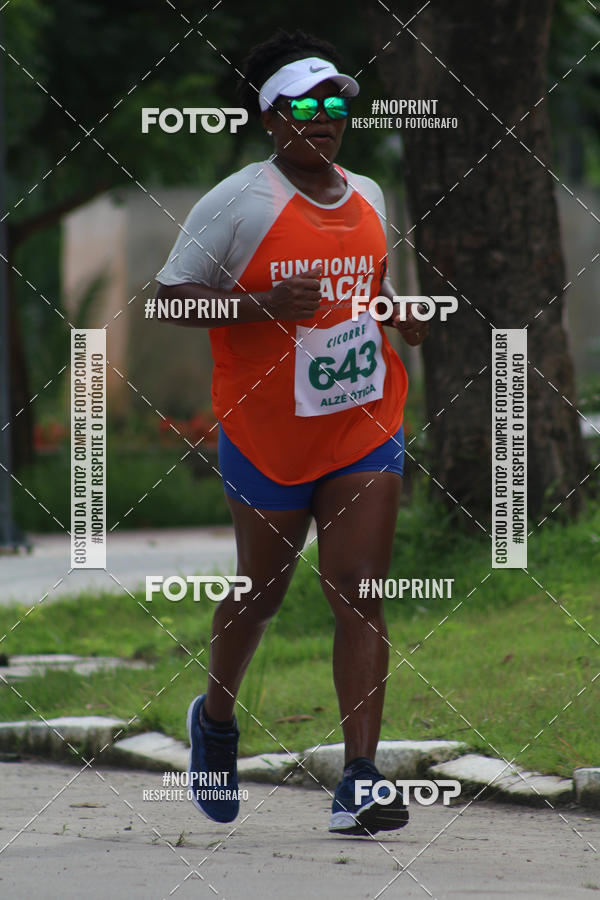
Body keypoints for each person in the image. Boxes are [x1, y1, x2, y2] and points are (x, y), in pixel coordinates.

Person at [154, 28, 428, 836]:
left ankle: (360, 780)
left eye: (335, 103)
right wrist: (258, 307)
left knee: (361, 593)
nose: (323, 118)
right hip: (268, 432)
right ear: (270, 117)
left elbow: (366, 289)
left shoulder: (371, 194)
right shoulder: (239, 202)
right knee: (259, 593)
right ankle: (217, 718)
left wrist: (395, 315)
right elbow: (169, 299)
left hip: (361, 423)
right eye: (302, 105)